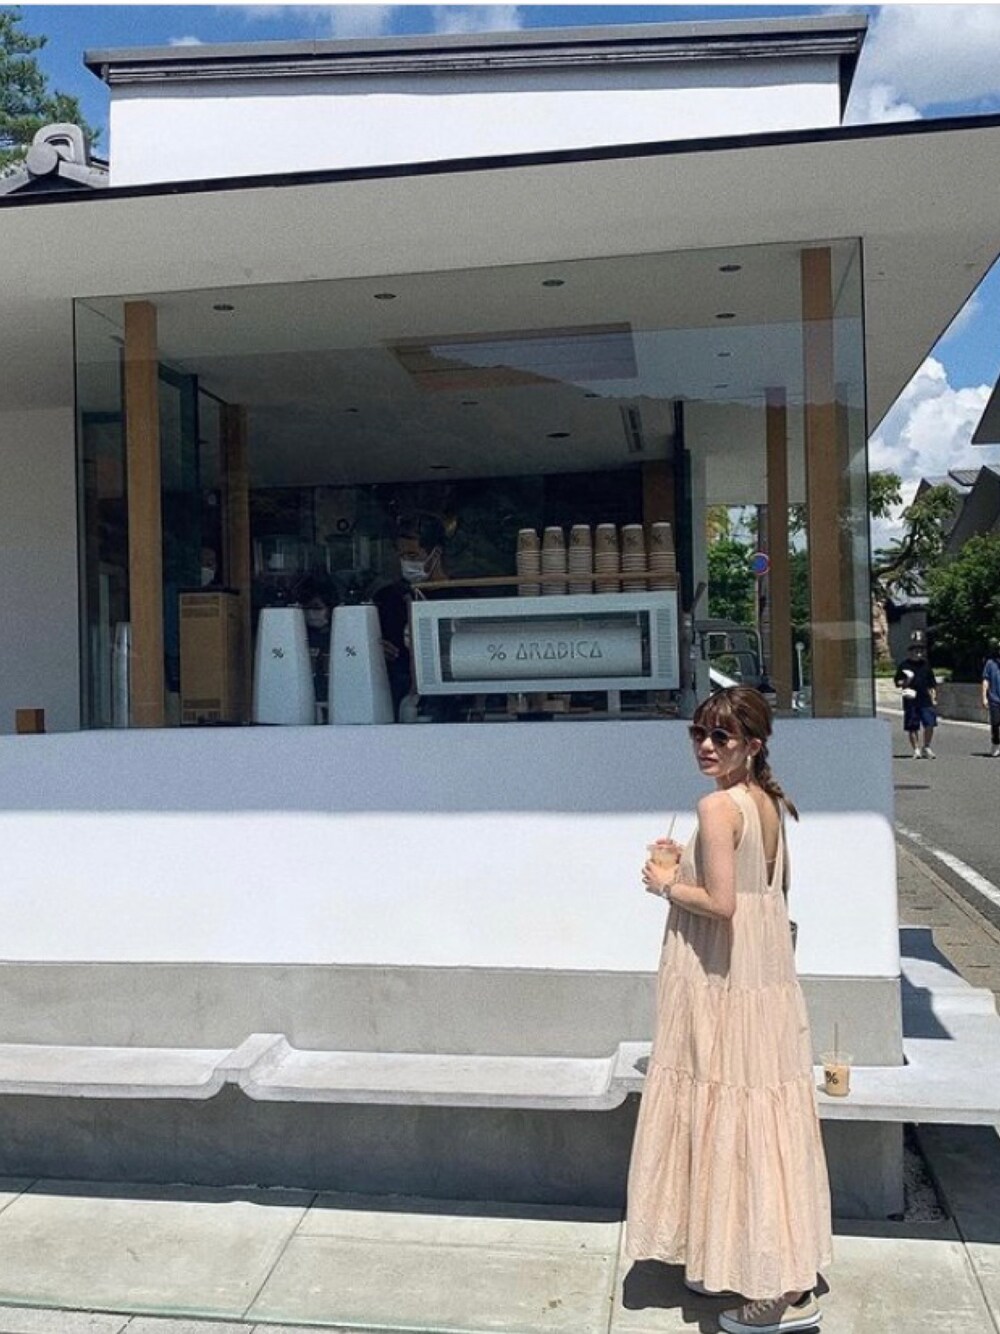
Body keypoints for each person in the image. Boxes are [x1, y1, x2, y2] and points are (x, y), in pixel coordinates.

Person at [626, 686, 832, 1333]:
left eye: (722, 736)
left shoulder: (717, 807)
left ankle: (778, 1291)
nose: (707, 746)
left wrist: (666, 884)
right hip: (760, 980)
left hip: (723, 979)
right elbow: (768, 893)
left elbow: (721, 904)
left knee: (731, 1115)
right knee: (762, 1120)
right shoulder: (768, 802)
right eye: (699, 733)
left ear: (753, 743)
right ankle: (750, 1256)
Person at [373, 514, 448, 720]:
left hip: (449, 702)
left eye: (413, 556)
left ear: (435, 553)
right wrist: (377, 651)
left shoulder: (459, 598)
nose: (406, 563)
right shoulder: (386, 599)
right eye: (402, 556)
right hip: (395, 700)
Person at [893, 637, 938, 759]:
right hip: (910, 700)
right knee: (912, 726)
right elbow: (897, 682)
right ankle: (916, 749)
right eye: (916, 651)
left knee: (930, 723)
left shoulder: (926, 665)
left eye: (920, 651)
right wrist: (906, 681)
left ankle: (926, 746)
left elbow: (932, 684)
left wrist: (933, 698)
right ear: (910, 652)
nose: (918, 653)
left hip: (925, 699)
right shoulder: (904, 666)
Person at [982, 639, 1000, 759]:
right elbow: (985, 680)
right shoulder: (990, 663)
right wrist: (984, 697)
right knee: (995, 723)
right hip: (994, 698)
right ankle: (996, 743)